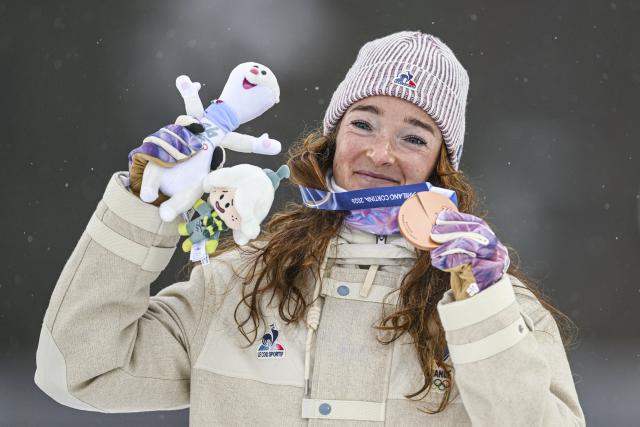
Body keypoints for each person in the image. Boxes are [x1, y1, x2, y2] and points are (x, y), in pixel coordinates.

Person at [34, 31, 586, 426]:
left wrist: (481, 309)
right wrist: (142, 204)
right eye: (363, 123)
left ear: (443, 165)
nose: (379, 152)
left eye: (414, 137)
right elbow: (80, 369)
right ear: (331, 141)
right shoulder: (243, 280)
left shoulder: (491, 302)